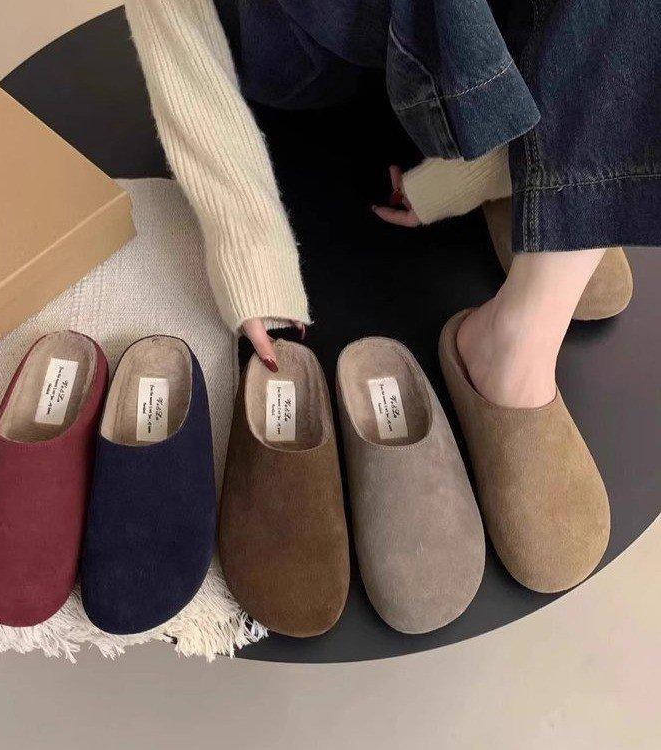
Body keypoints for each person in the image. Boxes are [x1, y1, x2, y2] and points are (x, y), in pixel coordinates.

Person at [123, 0, 660, 592]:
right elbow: (178, 40)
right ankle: (549, 179)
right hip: (309, 54)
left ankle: (518, 332)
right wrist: (250, 252)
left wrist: (496, 173)